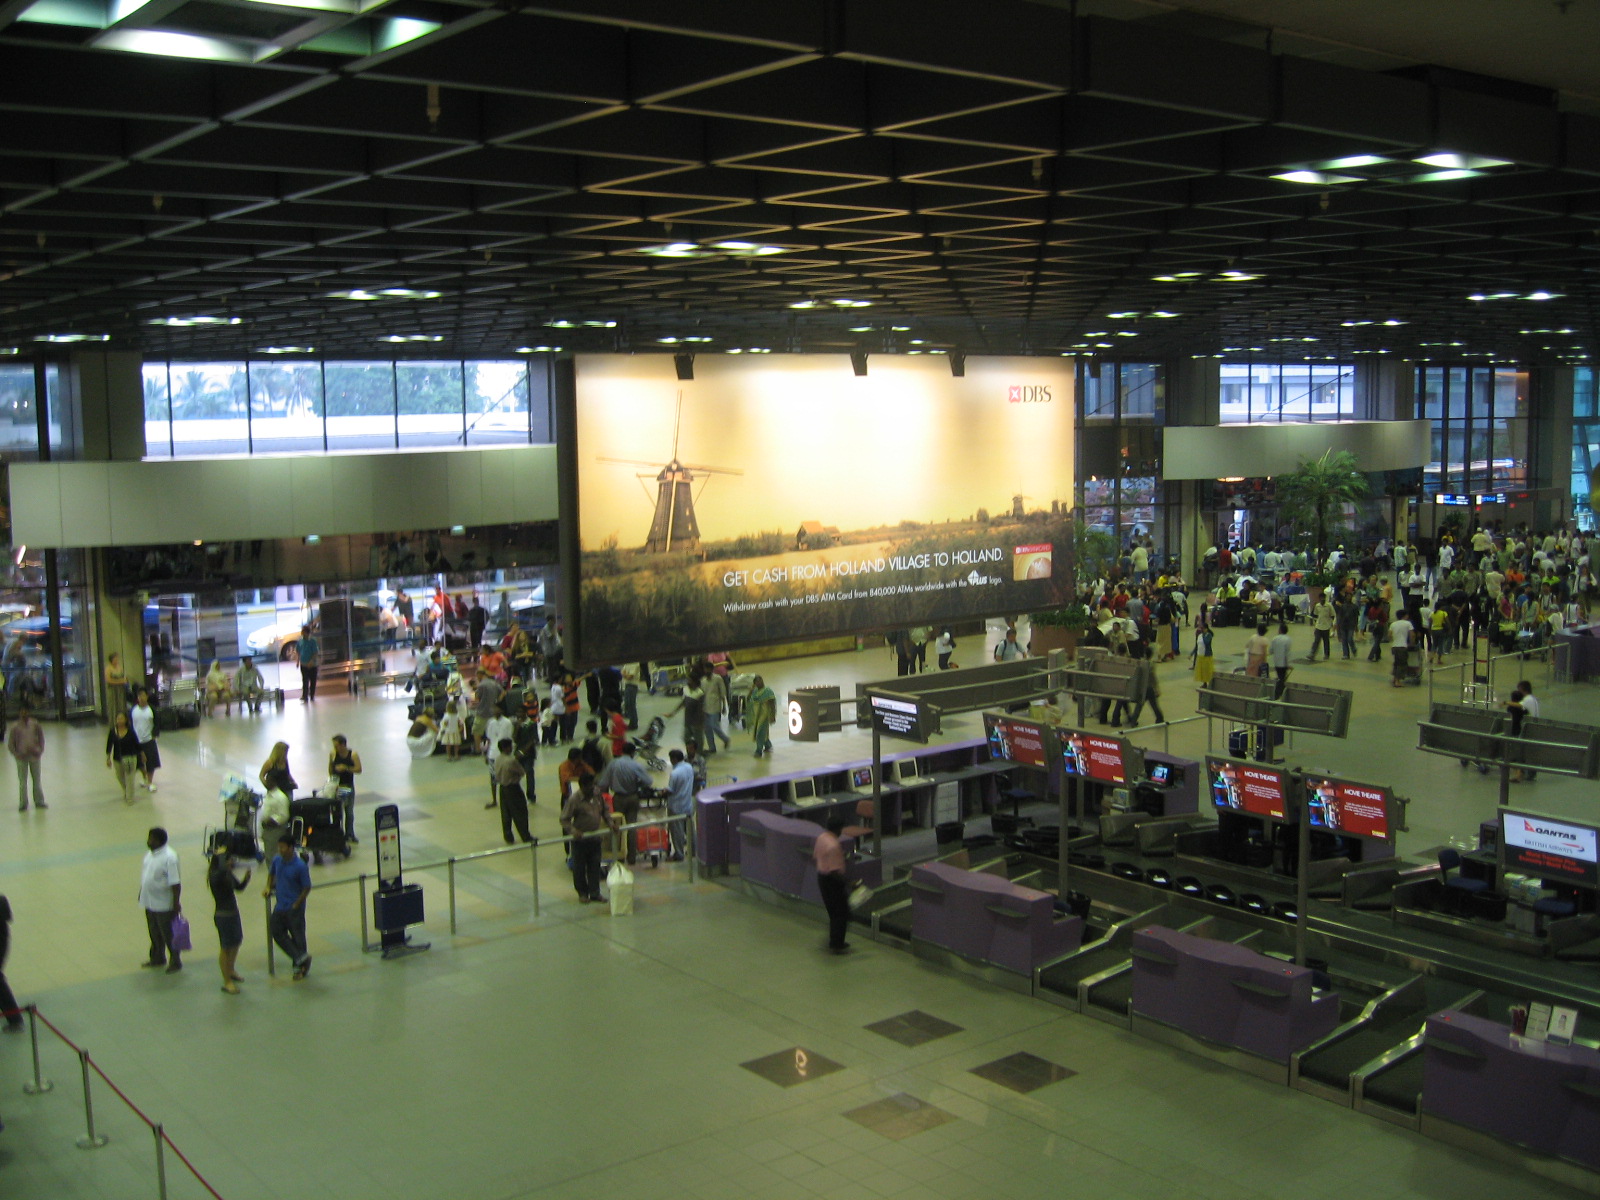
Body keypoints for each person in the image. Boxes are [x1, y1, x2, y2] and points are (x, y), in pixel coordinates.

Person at [596, 741, 654, 865]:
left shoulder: (613, 764)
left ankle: (619, 856)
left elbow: (603, 783)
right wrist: (638, 785)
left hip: (618, 798)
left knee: (617, 827)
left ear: (622, 751)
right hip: (633, 797)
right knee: (632, 827)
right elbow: (649, 781)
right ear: (633, 753)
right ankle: (632, 857)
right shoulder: (636, 765)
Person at [264, 834, 313, 980]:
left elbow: (306, 887)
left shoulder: (300, 866)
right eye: (279, 847)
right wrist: (268, 886)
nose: (280, 850)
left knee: (298, 937)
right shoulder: (277, 860)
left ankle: (300, 968)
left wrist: (297, 904)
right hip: (280, 906)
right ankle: (301, 957)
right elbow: (271, 874)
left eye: (283, 847)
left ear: (291, 848)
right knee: (276, 930)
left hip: (294, 908)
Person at [207, 833, 251, 995]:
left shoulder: (226, 874)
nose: (231, 862)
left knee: (236, 941)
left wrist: (246, 879)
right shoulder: (216, 876)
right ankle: (226, 981)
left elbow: (238, 888)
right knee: (226, 947)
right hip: (223, 916)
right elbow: (223, 870)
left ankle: (231, 969)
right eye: (228, 860)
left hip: (233, 912)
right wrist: (221, 856)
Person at [139, 827, 183, 973]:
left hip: (164, 903)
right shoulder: (149, 855)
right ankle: (157, 957)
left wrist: (176, 903)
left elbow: (175, 883)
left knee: (168, 933)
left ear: (159, 841)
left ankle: (175, 961)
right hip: (149, 901)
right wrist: (142, 892)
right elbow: (146, 876)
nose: (148, 841)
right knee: (154, 931)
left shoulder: (170, 857)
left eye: (151, 838)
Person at [560, 782, 609, 904]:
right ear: (582, 787)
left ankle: (595, 893)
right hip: (580, 840)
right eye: (589, 788)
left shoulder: (597, 795)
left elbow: (604, 810)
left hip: (594, 838)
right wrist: (573, 831)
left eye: (593, 787)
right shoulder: (574, 800)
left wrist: (611, 822)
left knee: (595, 866)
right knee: (579, 868)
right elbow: (564, 819)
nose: (592, 790)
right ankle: (582, 893)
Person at [813, 812, 852, 954]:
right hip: (832, 882)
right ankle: (837, 943)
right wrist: (849, 883)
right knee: (840, 913)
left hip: (822, 878)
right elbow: (834, 872)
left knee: (833, 913)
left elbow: (817, 856)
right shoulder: (834, 845)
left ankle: (835, 940)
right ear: (838, 829)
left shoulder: (822, 838)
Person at [493, 738, 532, 843]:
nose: (512, 748)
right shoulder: (511, 760)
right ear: (506, 748)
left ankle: (508, 837)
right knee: (520, 812)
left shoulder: (498, 759)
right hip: (513, 788)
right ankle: (525, 836)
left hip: (502, 788)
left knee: (506, 814)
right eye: (510, 746)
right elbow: (522, 772)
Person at [8, 703, 44, 812]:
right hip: (21, 758)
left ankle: (39, 801)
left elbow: (41, 738)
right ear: (19, 713)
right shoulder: (15, 727)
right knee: (22, 782)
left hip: (34, 756)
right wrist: (16, 754)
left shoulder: (35, 724)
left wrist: (40, 750)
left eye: (26, 711)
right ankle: (23, 803)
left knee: (37, 780)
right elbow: (11, 744)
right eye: (22, 711)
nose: (24, 714)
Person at [328, 734, 362, 843]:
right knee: (337, 811)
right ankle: (337, 832)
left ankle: (349, 833)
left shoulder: (353, 755)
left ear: (343, 745)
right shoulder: (333, 754)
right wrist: (331, 778)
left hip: (348, 785)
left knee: (349, 811)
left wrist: (346, 768)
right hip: (336, 786)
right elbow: (330, 766)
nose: (335, 748)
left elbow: (359, 769)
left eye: (337, 745)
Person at [664, 748, 694, 861]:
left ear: (674, 759)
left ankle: (679, 854)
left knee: (677, 832)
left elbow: (671, 789)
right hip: (687, 804)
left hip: (676, 806)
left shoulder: (675, 773)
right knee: (690, 830)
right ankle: (694, 851)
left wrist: (664, 791)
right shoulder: (689, 767)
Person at [106, 710, 142, 804]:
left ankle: (130, 797)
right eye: (118, 718)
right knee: (120, 777)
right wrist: (108, 758)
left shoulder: (130, 732)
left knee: (130, 778)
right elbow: (109, 744)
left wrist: (142, 754)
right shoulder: (113, 732)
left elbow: (137, 744)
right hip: (118, 758)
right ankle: (127, 791)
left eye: (122, 718)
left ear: (126, 720)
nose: (120, 720)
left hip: (130, 758)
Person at [483, 706, 515, 808]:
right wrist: (486, 753)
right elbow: (488, 739)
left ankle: (508, 799)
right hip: (492, 754)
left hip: (503, 754)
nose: (495, 711)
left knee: (506, 778)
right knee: (493, 778)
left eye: (497, 708)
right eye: (494, 709)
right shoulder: (491, 723)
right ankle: (494, 800)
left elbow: (509, 739)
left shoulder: (507, 722)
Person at [130, 687, 161, 791]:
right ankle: (144, 777)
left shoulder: (152, 710)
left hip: (149, 740)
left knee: (150, 762)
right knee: (138, 763)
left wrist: (154, 735)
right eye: (139, 696)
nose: (141, 698)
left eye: (143, 695)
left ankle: (150, 781)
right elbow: (130, 724)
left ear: (147, 696)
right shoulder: (133, 710)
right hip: (136, 742)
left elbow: (157, 724)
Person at [702, 668, 733, 752]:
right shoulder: (703, 681)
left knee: (714, 725)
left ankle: (725, 739)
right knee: (707, 728)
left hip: (715, 706)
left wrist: (724, 706)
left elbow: (723, 692)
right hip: (705, 707)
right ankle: (712, 747)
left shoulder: (718, 679)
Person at [747, 674, 776, 758]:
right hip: (756, 715)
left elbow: (772, 704)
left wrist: (772, 715)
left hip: (764, 715)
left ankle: (758, 750)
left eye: (761, 680)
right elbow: (748, 699)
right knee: (763, 732)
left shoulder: (767, 691)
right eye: (757, 682)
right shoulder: (755, 691)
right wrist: (751, 690)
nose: (760, 683)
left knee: (759, 732)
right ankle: (767, 745)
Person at [1388, 610, 1415, 687]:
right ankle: (1397, 681)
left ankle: (1394, 678)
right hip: (1402, 646)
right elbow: (1412, 635)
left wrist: (1394, 640)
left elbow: (1389, 635)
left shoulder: (1393, 624)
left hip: (1394, 646)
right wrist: (1411, 644)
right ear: (1405, 615)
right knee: (1402, 664)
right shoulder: (1408, 623)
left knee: (1396, 662)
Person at [1268, 622, 1293, 699]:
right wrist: (1288, 664)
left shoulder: (1275, 638)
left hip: (1276, 662)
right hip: (1284, 663)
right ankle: (1278, 694)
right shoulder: (1288, 639)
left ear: (1280, 630)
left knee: (1280, 677)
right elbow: (1287, 653)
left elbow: (1270, 651)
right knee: (1282, 678)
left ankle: (1279, 693)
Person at [1308, 595, 1335, 662]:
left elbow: (1333, 615)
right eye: (1321, 598)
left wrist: (1331, 624)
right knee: (1316, 641)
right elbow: (1315, 614)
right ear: (1319, 598)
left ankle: (1326, 654)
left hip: (1326, 626)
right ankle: (1312, 654)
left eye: (1323, 598)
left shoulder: (1329, 606)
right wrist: (1316, 623)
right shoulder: (1317, 606)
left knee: (1326, 641)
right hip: (1318, 626)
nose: (1322, 599)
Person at [297, 624, 320, 701]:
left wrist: (311, 661)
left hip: (312, 665)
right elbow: (298, 651)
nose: (301, 632)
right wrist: (298, 661)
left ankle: (312, 695)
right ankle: (305, 695)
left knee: (313, 680)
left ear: (306, 632)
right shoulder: (300, 641)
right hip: (304, 664)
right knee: (305, 680)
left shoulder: (312, 641)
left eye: (303, 631)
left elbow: (315, 652)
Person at [104, 651, 128, 720]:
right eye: (115, 659)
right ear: (111, 660)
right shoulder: (108, 668)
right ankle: (113, 725)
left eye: (117, 659)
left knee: (121, 707)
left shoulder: (119, 667)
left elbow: (123, 677)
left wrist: (124, 680)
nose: (116, 660)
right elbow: (108, 680)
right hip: (112, 690)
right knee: (113, 707)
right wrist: (119, 681)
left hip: (120, 690)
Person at [620, 661, 641, 729]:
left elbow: (630, 677)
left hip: (632, 686)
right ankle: (631, 721)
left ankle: (634, 724)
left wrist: (624, 674)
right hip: (627, 685)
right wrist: (625, 674)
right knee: (628, 704)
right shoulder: (627, 662)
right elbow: (622, 672)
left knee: (631, 705)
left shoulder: (635, 663)